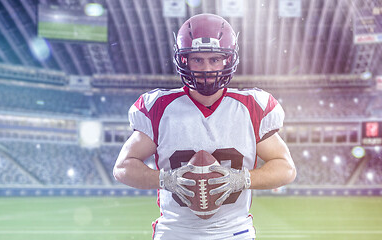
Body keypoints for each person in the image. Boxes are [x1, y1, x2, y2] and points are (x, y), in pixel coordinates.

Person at [113, 13, 296, 239]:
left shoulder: (252, 107)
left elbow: (286, 168)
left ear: (228, 60)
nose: (207, 69)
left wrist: (241, 179)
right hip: (175, 232)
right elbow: (122, 168)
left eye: (214, 59)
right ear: (183, 60)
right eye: (197, 59)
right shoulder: (158, 107)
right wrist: (166, 180)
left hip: (234, 232)